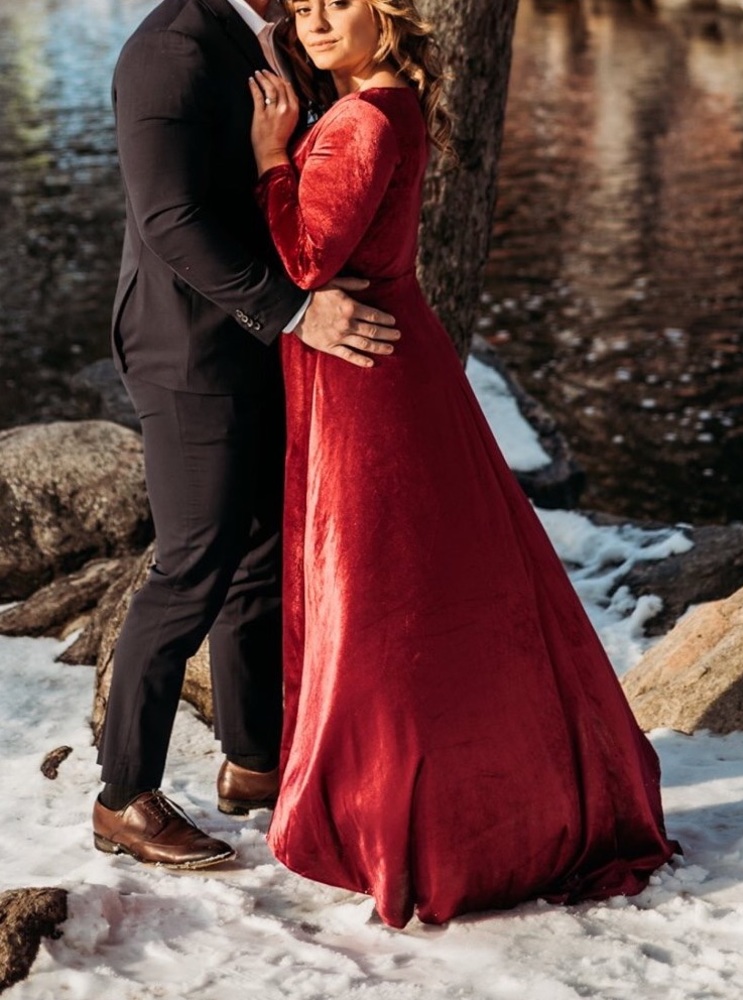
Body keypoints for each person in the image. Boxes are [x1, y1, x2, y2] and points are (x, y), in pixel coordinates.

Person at [247, 0, 679, 926]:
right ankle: (479, 791)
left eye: (340, 0)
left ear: (388, 11)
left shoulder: (365, 114)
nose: (313, 15)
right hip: (383, 362)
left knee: (381, 594)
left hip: (369, 381)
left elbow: (307, 255)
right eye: (305, 0)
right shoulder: (381, 103)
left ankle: (423, 818)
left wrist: (271, 158)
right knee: (429, 582)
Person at [92, 0, 402, 870]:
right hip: (188, 351)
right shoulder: (170, 49)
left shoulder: (266, 39)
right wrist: (296, 310)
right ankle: (124, 796)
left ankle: (255, 761)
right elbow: (169, 218)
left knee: (258, 559)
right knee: (192, 566)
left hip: (256, 345)